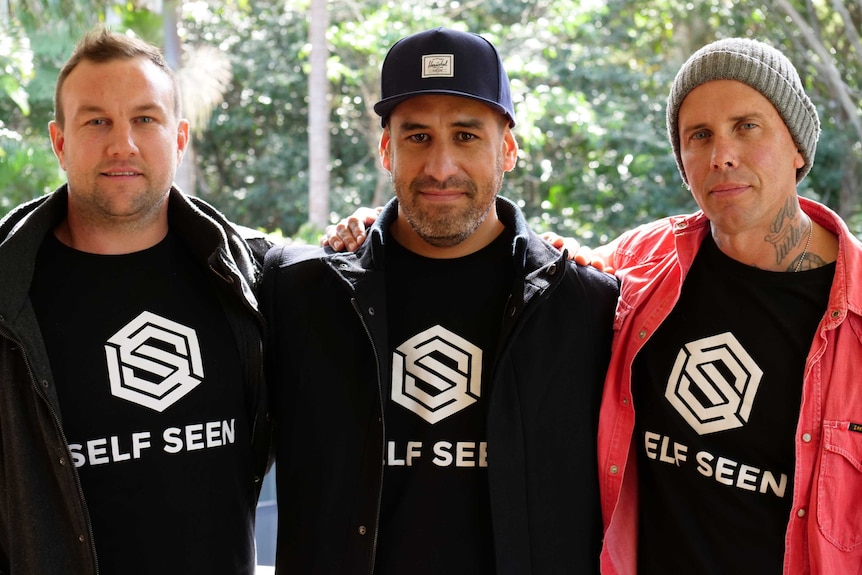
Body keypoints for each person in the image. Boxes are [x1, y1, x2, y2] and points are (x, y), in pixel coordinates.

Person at [324, 37, 862, 574]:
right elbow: (486, 243)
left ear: (798, 146)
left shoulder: (853, 320)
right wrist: (384, 228)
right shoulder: (637, 270)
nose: (722, 154)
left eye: (747, 126)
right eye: (699, 135)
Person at [261, 27, 618, 574]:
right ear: (386, 148)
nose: (440, 167)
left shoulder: (586, 308)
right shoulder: (302, 294)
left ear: (509, 148)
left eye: (467, 136)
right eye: (417, 137)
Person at [0, 28, 271, 574]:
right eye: (96, 120)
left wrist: (362, 234)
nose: (122, 143)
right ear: (59, 142)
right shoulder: (8, 295)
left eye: (145, 119)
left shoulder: (251, 277)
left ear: (180, 137)